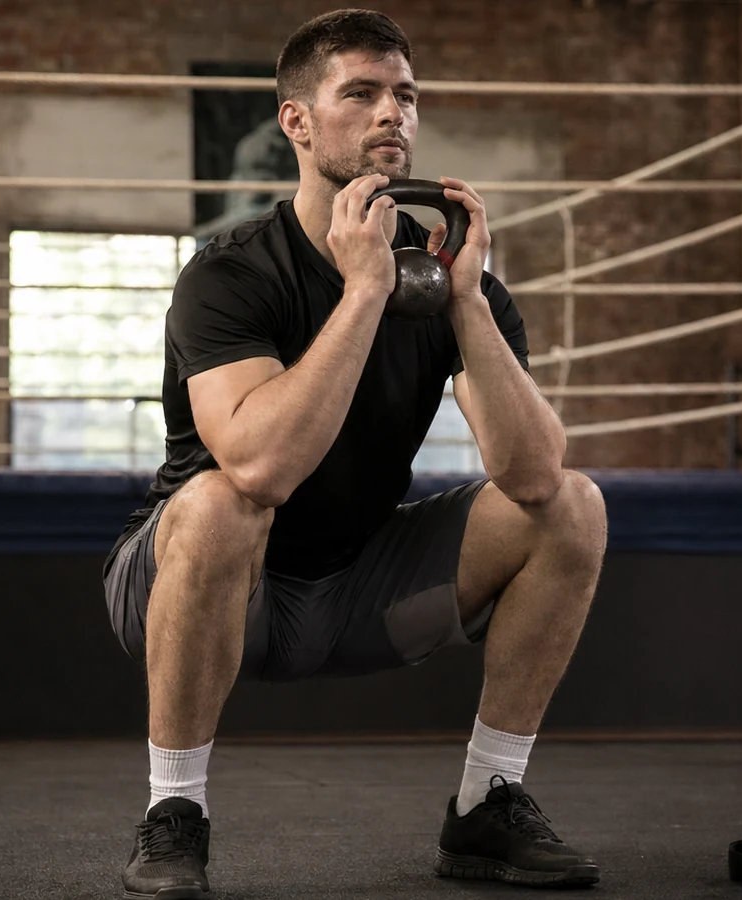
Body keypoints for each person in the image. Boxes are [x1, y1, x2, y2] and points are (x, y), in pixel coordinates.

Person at [101, 8, 609, 897]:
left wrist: (468, 304)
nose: (391, 115)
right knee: (221, 502)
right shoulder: (229, 275)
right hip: (210, 588)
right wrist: (363, 294)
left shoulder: (452, 280)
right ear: (296, 121)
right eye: (362, 94)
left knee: (572, 504)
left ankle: (487, 803)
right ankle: (174, 813)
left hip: (357, 599)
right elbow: (259, 469)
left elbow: (531, 475)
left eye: (405, 95)